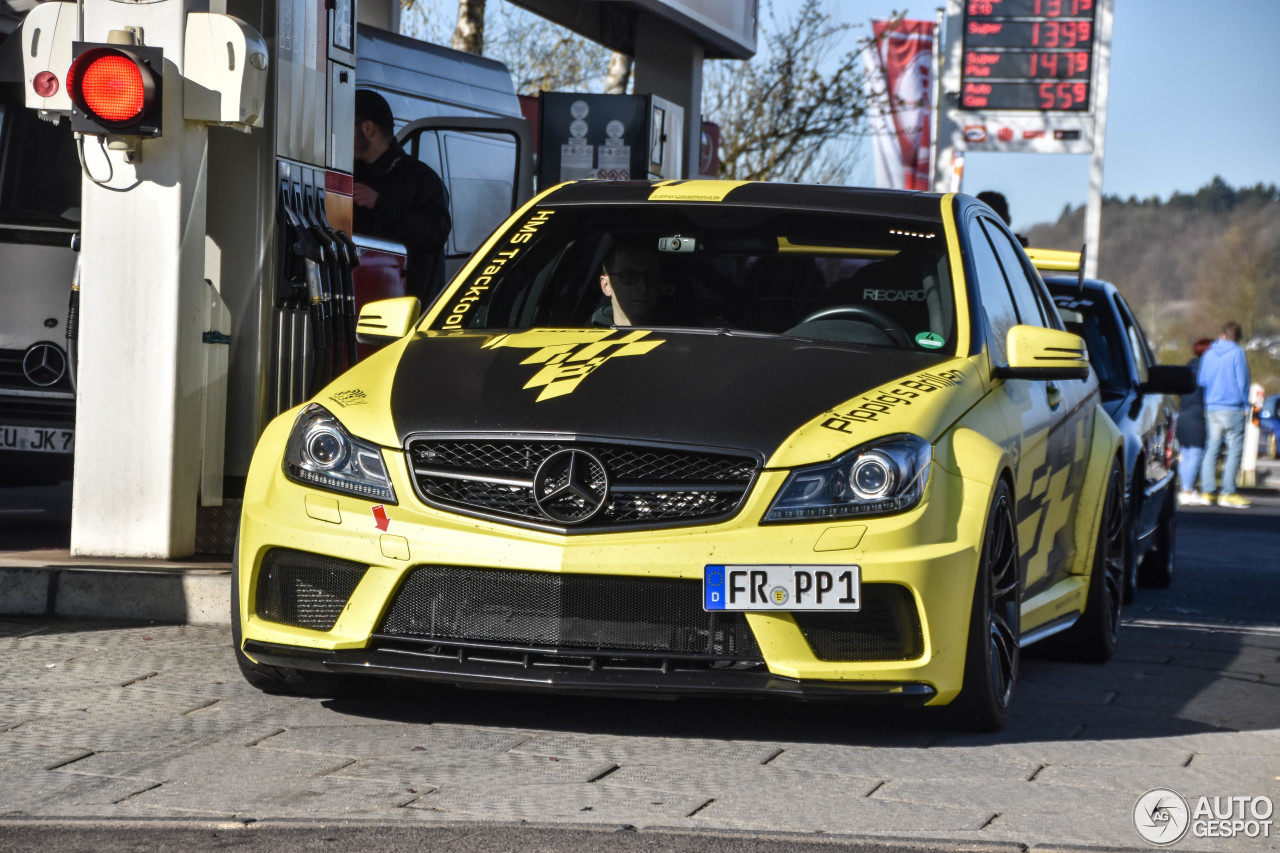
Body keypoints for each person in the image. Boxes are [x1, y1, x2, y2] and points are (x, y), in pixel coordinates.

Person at [352, 89, 452, 303]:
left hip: (406, 317)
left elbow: (435, 234)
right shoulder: (350, 174)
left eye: (345, 125)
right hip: (357, 308)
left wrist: (380, 202)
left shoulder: (422, 179)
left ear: (368, 128)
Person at [1197, 321, 1252, 508]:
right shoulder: (1237, 353)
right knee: (1235, 449)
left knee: (1211, 448)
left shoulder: (1209, 353)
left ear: (1222, 335)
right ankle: (1228, 492)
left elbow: (1201, 380)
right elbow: (1243, 381)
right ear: (1237, 337)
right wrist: (1245, 403)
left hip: (1212, 407)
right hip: (1233, 407)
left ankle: (1208, 491)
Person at [1175, 338, 1213, 505]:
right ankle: (1187, 490)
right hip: (1197, 415)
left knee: (1186, 454)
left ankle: (1184, 488)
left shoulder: (1189, 366)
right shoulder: (1207, 368)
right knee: (1196, 454)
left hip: (1183, 414)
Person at [594, 239, 665, 326]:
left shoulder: (681, 334)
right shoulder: (583, 337)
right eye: (629, 276)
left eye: (651, 277)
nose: (643, 287)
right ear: (606, 285)